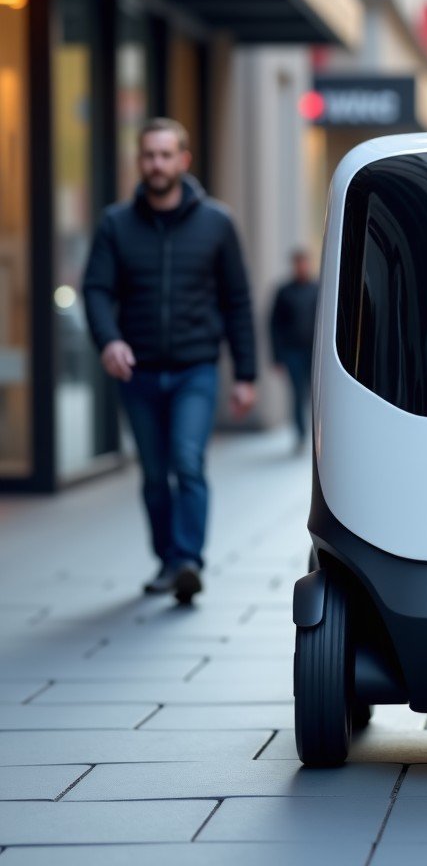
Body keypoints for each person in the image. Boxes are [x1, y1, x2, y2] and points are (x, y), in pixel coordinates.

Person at [83, 117, 257, 601]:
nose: (156, 164)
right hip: (137, 371)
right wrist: (108, 340)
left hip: (195, 369)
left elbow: (237, 301)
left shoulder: (217, 223)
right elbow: (96, 289)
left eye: (165, 155)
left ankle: (188, 561)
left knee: (188, 461)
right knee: (155, 476)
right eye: (148, 155)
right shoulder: (116, 224)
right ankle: (166, 559)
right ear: (139, 161)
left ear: (184, 160)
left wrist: (246, 374)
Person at [270, 249, 319, 451]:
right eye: (298, 263)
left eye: (304, 263)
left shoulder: (318, 289)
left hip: (314, 353)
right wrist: (277, 357)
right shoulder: (284, 292)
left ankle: (319, 436)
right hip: (292, 353)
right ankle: (300, 434)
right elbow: (274, 325)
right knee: (298, 394)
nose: (301, 267)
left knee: (316, 396)